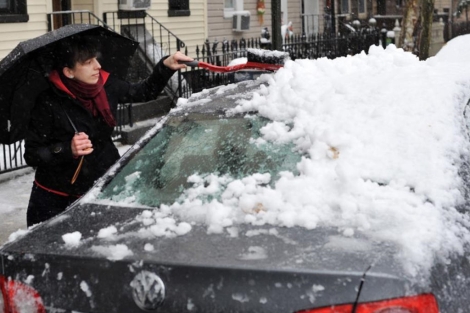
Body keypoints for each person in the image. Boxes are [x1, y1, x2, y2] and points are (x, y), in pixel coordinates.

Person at [24, 37, 192, 227]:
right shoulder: (48, 102)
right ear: (68, 72)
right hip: (56, 199)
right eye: (88, 62)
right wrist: (66, 149)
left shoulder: (105, 85)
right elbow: (32, 154)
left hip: (102, 187)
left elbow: (144, 92)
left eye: (95, 59)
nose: (97, 66)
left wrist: (166, 66)